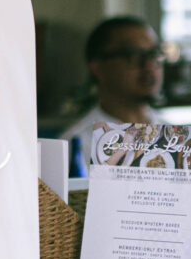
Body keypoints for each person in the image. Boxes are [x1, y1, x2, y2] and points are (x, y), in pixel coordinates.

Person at [69, 14, 163, 168]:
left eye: (153, 54)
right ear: (97, 66)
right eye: (133, 55)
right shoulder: (76, 147)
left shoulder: (179, 141)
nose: (149, 66)